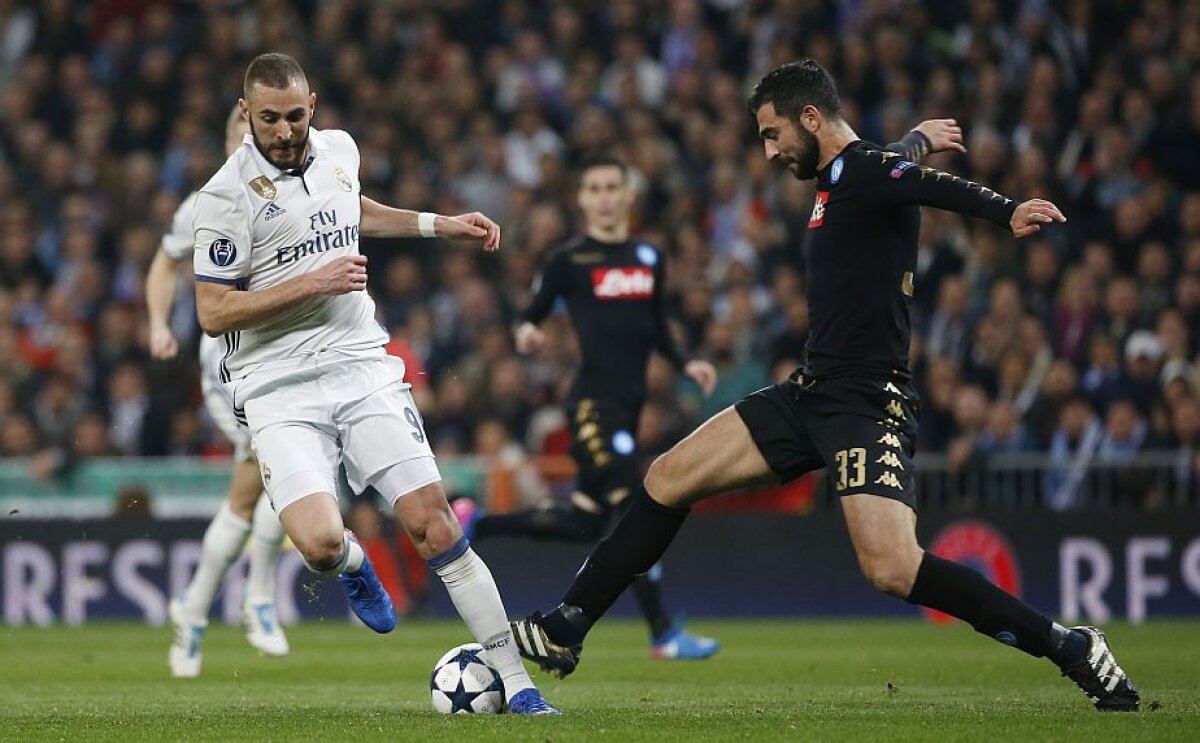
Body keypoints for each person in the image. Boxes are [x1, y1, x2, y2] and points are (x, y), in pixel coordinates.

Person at [509, 59, 1139, 713]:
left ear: (811, 119)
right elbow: (899, 160)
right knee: (668, 475)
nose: (770, 149)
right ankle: (565, 628)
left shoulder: (868, 171)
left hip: (868, 403)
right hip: (810, 392)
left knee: (892, 568)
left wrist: (1005, 209)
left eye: (772, 132)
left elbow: (921, 181)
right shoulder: (848, 173)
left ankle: (1071, 647)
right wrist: (918, 136)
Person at [191, 53, 557, 714]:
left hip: (360, 363)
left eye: (295, 116)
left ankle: (522, 685)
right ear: (247, 113)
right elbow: (212, 312)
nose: (283, 130)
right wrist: (312, 281)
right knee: (319, 542)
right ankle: (355, 565)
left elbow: (350, 209)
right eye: (269, 118)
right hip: (276, 387)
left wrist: (436, 225)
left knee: (434, 523)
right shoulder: (223, 197)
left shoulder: (339, 149)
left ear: (315, 106)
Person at [454, 153, 722, 660]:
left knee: (585, 519)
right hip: (591, 406)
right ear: (581, 199)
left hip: (627, 406)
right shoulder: (569, 261)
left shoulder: (648, 258)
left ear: (627, 196)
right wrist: (529, 332)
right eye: (593, 188)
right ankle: (661, 631)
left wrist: (687, 363)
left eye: (610, 188)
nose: (602, 197)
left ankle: (479, 522)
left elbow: (657, 327)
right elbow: (530, 315)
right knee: (634, 508)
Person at [150, 105, 290, 678]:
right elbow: (163, 264)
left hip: (283, 353)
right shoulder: (209, 200)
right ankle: (255, 596)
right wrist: (159, 323)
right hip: (231, 360)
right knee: (274, 460)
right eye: (239, 131)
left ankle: (195, 607)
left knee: (270, 478)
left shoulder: (298, 192)